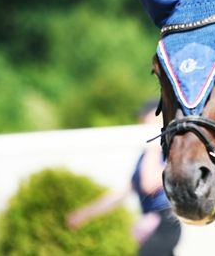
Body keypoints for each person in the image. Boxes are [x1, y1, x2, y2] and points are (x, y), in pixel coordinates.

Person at [67, 100, 181, 256]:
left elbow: (148, 184)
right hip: (152, 222)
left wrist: (154, 142)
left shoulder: (167, 152)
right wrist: (85, 214)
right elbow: (122, 193)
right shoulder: (146, 156)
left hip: (165, 221)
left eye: (147, 120)